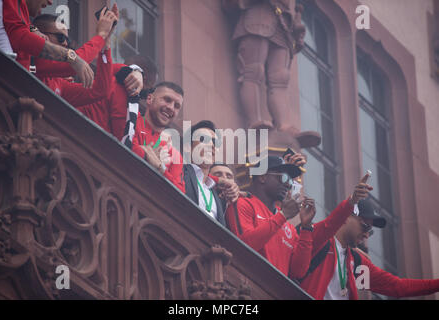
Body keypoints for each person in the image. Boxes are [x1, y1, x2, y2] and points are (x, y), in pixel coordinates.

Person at [226, 158, 373, 279]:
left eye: (290, 181)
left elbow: (298, 272)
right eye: (283, 177)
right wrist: (283, 216)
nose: (287, 185)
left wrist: (306, 228)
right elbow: (244, 246)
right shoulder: (242, 204)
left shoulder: (287, 227)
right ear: (263, 176)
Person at [299, 198, 439, 300]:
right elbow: (323, 227)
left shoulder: (356, 263)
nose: (366, 234)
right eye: (365, 226)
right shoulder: (319, 239)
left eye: (370, 231)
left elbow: (397, 287)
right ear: (347, 217)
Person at [222, 0, 306, 130]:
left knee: (280, 79)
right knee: (253, 71)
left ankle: (283, 126)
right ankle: (254, 121)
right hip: (257, 17)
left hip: (282, 23)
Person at [3, 0, 94, 87]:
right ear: (44, 35)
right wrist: (72, 57)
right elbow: (20, 35)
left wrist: (32, 28)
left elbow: (22, 26)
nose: (51, 2)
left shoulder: (23, 13)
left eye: (67, 39)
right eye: (60, 38)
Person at [37, 10, 116, 108]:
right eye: (60, 37)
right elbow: (72, 63)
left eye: (68, 40)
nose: (65, 43)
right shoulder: (35, 58)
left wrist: (106, 45)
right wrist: (101, 36)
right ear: (42, 35)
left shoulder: (58, 82)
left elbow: (100, 90)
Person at [130, 82, 185, 193]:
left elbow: (179, 193)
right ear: (150, 99)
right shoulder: (132, 120)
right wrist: (146, 155)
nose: (171, 108)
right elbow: (126, 149)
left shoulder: (175, 155)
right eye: (167, 100)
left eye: (176, 106)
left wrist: (160, 168)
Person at [183, 121, 239, 227]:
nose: (211, 145)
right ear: (188, 147)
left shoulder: (218, 194)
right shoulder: (179, 174)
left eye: (214, 142)